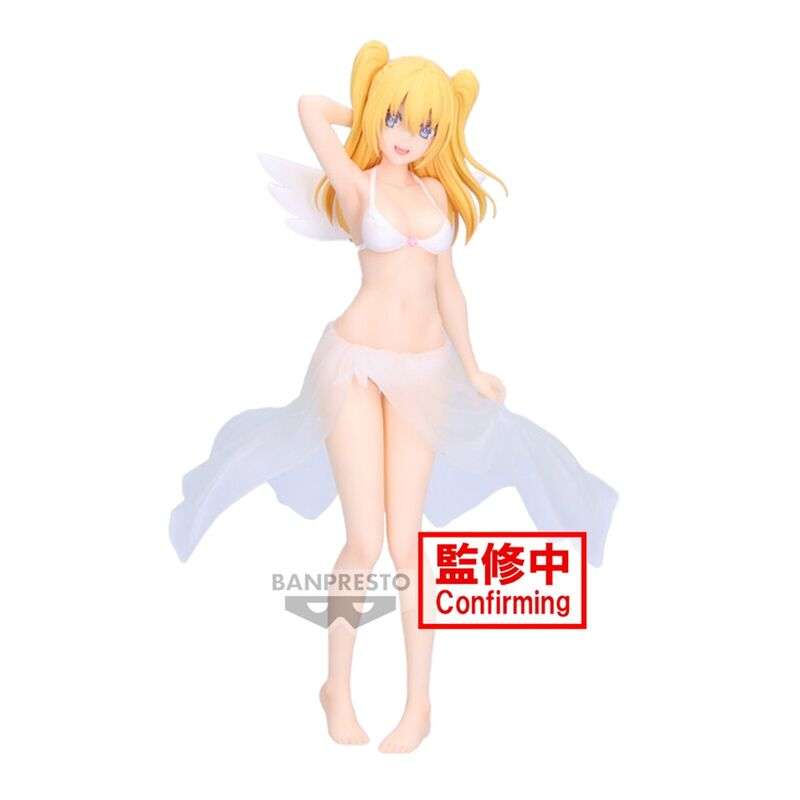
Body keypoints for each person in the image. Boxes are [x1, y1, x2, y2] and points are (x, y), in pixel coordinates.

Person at [170, 40, 618, 753]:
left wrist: (473, 366)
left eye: (426, 125)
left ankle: (419, 705)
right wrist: (371, 108)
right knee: (366, 540)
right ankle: (337, 689)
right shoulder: (358, 185)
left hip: (426, 370)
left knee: (411, 545)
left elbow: (448, 288)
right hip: (354, 366)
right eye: (397, 119)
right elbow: (308, 108)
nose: (408, 137)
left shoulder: (436, 195)